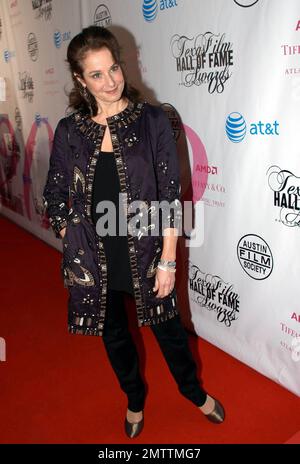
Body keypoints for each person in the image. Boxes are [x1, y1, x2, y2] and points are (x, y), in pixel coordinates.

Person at [42, 25, 225, 439]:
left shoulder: (153, 120)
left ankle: (194, 392)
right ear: (79, 79)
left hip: (145, 250)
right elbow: (54, 190)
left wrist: (166, 259)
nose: (110, 82)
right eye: (96, 75)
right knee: (114, 337)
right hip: (93, 256)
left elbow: (170, 196)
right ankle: (135, 399)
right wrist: (70, 233)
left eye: (114, 69)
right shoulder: (70, 131)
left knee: (170, 332)